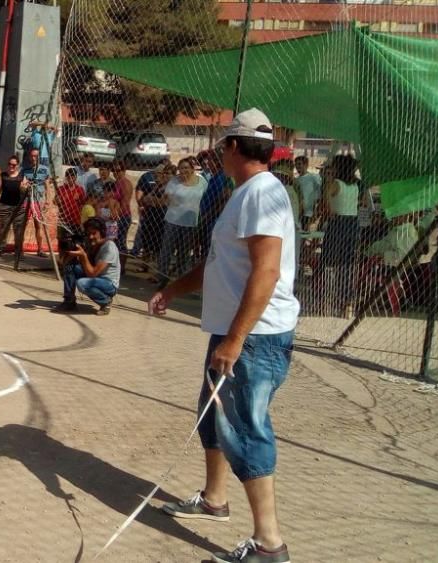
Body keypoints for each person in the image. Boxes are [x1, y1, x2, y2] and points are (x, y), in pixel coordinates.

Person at [149, 108, 298, 563]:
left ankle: (269, 544)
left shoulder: (262, 193)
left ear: (234, 147)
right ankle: (215, 499)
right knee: (212, 417)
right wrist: (172, 289)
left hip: (252, 337)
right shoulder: (245, 193)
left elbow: (267, 272)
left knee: (247, 431)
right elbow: (221, 265)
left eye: (221, 147)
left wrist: (235, 339)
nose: (218, 154)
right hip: (232, 332)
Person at [156, 157, 207, 287]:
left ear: (192, 168)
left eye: (186, 167)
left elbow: (205, 198)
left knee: (184, 253)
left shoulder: (202, 182)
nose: (183, 170)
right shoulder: (174, 181)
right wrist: (168, 198)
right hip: (173, 220)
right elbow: (166, 198)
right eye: (181, 168)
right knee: (167, 250)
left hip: (190, 222)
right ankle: (162, 278)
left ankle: (180, 278)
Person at [320, 154, 361, 315]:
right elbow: (359, 202)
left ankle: (328, 301)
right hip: (352, 224)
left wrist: (330, 210)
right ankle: (348, 303)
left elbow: (326, 200)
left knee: (330, 262)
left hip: (338, 222)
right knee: (348, 264)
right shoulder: (355, 185)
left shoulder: (335, 183)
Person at [57, 217, 121, 315]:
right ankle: (69, 301)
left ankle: (106, 301)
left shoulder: (109, 247)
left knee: (82, 283)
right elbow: (64, 264)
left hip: (109, 284)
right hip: (96, 278)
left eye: (94, 233)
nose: (90, 237)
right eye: (88, 234)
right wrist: (68, 254)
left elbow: (92, 273)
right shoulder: (92, 244)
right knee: (70, 267)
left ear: (102, 232)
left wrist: (83, 255)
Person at [0, 155, 30, 266]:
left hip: (18, 208)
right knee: (3, 230)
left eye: (13, 165)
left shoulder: (22, 176)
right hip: (4, 206)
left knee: (19, 231)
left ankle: (18, 251)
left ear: (17, 165)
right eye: (9, 164)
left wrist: (24, 188)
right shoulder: (3, 176)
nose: (11, 167)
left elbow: (25, 191)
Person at [197, 150, 233, 262]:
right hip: (206, 220)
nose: (207, 164)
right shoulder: (214, 177)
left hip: (213, 221)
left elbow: (222, 201)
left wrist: (205, 218)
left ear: (218, 162)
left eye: (210, 161)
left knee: (210, 253)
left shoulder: (223, 178)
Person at [135, 163, 173, 263]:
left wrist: (153, 200)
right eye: (156, 174)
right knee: (146, 242)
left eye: (160, 173)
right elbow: (145, 199)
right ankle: (145, 264)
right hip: (150, 217)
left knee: (157, 244)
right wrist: (153, 200)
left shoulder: (169, 187)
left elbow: (162, 203)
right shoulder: (156, 187)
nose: (157, 176)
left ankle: (155, 265)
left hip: (161, 219)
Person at [21, 148, 53, 257]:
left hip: (38, 201)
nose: (34, 158)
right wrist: (24, 187)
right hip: (27, 200)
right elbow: (22, 186)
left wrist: (48, 201)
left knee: (39, 225)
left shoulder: (45, 170)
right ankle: (19, 248)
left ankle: (40, 249)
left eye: (36, 156)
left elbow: (48, 186)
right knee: (23, 225)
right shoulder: (25, 170)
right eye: (32, 156)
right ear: (30, 157)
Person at [111, 160, 134, 269]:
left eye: (118, 170)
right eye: (114, 170)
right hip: (115, 216)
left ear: (124, 171)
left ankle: (121, 267)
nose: (116, 172)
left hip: (122, 216)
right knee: (114, 241)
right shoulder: (116, 182)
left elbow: (125, 203)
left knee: (120, 242)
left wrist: (116, 216)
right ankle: (116, 265)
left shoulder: (125, 183)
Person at [55, 168, 87, 242]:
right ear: (66, 177)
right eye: (68, 176)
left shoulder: (80, 189)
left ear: (76, 177)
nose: (70, 178)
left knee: (75, 242)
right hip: (63, 220)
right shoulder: (61, 189)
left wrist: (81, 221)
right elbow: (55, 201)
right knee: (61, 241)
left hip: (75, 220)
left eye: (72, 176)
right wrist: (57, 200)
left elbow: (83, 205)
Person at [294, 156, 321, 231]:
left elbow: (318, 193)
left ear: (306, 165)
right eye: (296, 164)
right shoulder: (296, 180)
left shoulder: (313, 177)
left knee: (306, 231)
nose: (297, 166)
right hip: (299, 211)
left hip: (309, 211)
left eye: (299, 164)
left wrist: (315, 207)